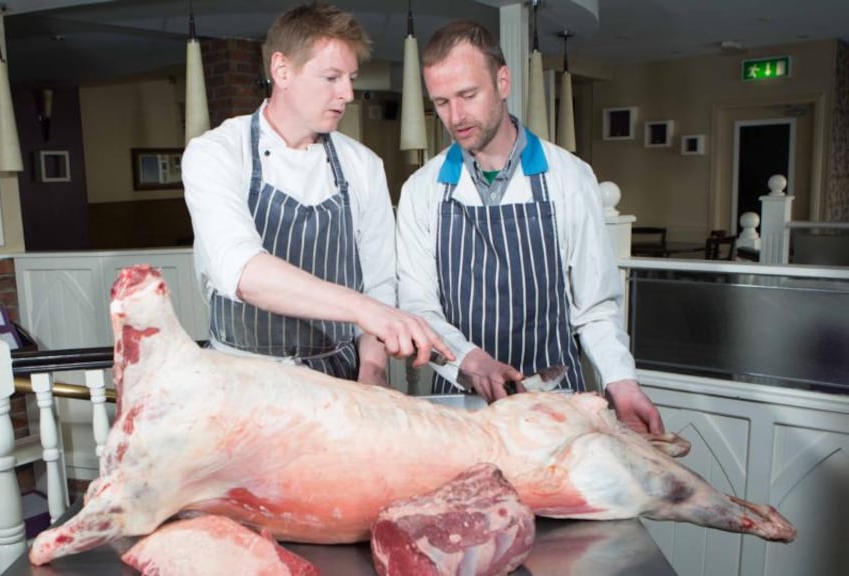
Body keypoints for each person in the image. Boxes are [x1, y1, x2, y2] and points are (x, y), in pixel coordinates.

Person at [396, 20, 663, 434]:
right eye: (442, 102)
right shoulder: (421, 190)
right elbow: (418, 306)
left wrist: (621, 383)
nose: (456, 116)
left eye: (468, 95)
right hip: (463, 406)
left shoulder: (570, 177)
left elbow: (594, 308)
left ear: (503, 81)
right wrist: (470, 360)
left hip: (557, 404)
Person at [182, 1, 451, 386]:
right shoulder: (217, 153)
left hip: (339, 379)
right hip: (241, 381)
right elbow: (243, 271)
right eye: (331, 77)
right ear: (282, 70)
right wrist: (363, 310)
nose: (347, 93)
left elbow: (378, 283)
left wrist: (373, 369)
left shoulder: (363, 165)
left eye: (351, 78)